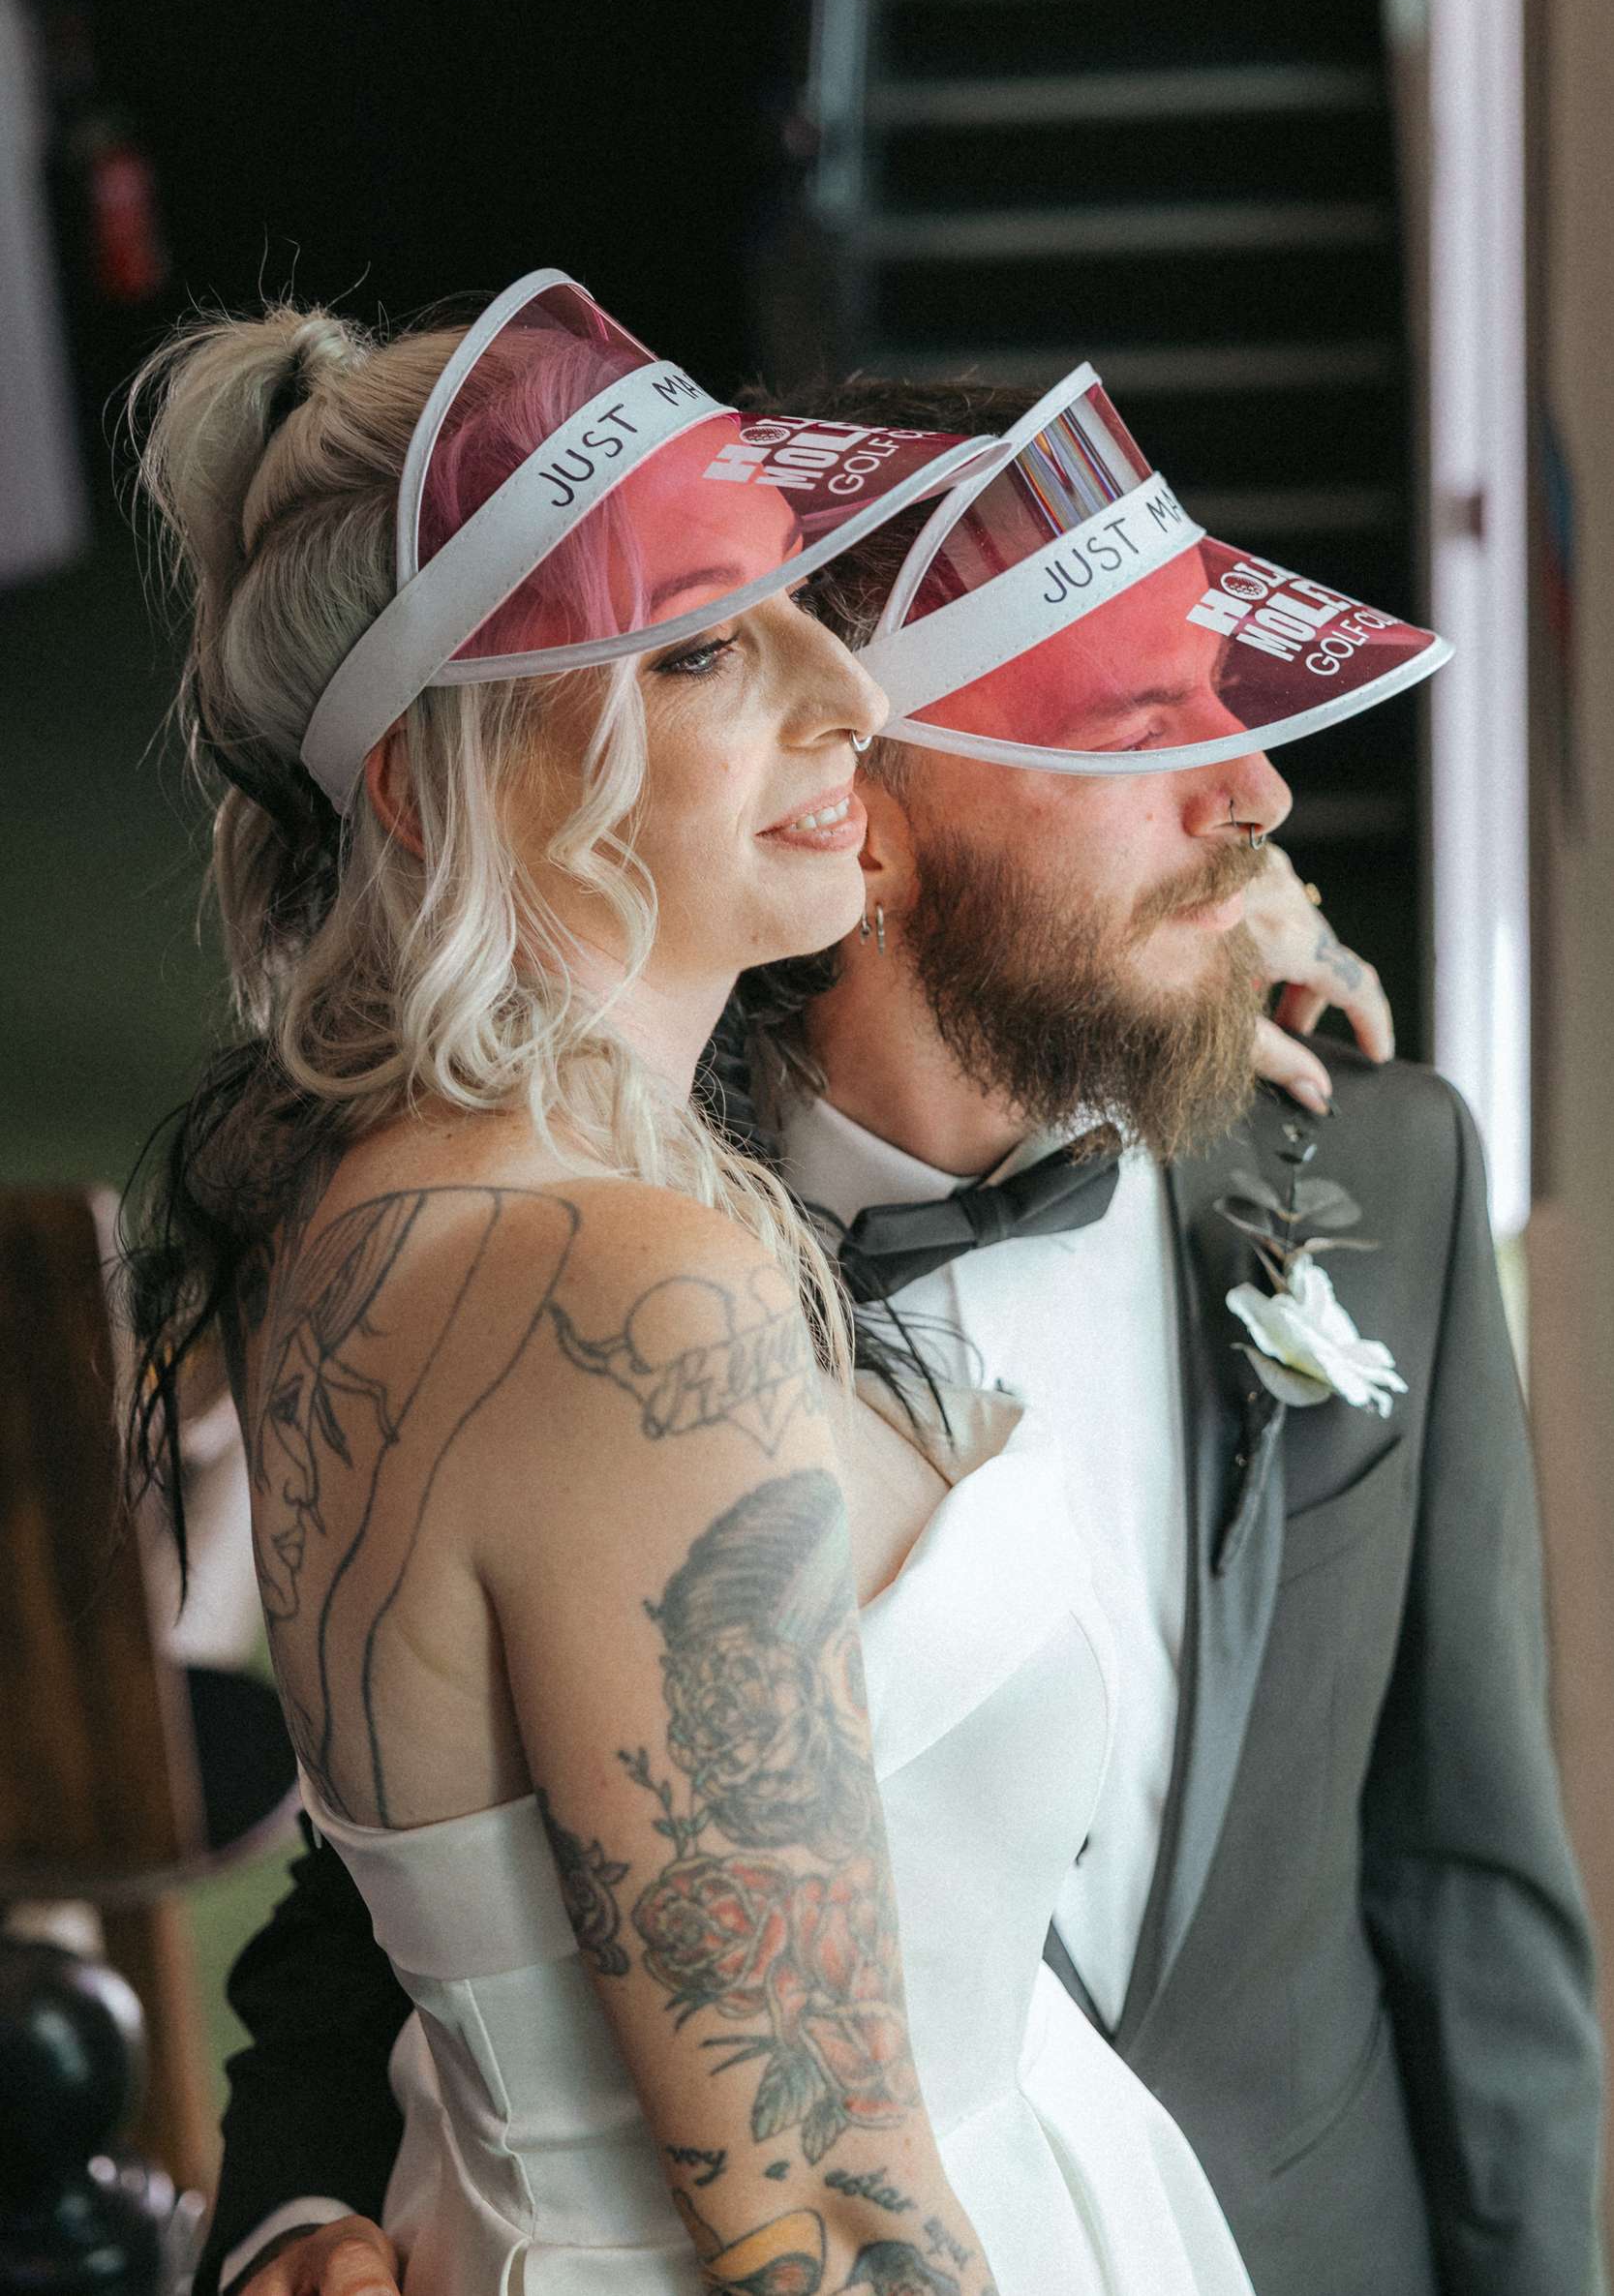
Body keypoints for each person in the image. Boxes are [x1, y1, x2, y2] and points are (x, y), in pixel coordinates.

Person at [197, 365, 1602, 2296]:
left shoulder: (1370, 1167)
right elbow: (407, 1895)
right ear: (867, 829)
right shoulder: (620, 1284)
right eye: (1129, 728)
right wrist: (292, 2212)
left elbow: (1478, 1881)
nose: (1260, 794)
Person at [124, 277, 1266, 2296]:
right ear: (437, 783)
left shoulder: (379, 1203)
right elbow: (823, 2218)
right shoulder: (619, 1287)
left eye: (804, 603)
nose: (852, 697)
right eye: (706, 646)